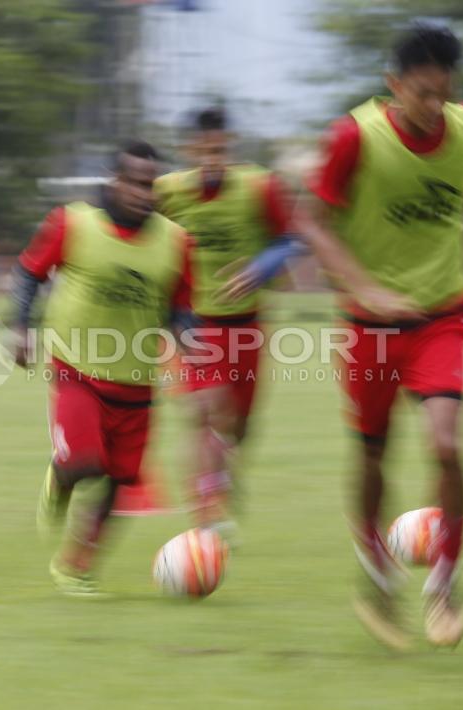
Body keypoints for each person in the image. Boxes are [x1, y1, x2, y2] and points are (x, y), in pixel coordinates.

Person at [294, 24, 463, 648]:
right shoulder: (353, 137)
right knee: (371, 454)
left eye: (443, 93)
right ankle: (376, 574)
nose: (433, 106)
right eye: (420, 94)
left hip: (443, 312)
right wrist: (366, 287)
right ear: (393, 86)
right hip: (371, 327)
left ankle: (444, 582)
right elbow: (313, 224)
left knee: (445, 443)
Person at [11, 141, 195, 596]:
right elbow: (29, 272)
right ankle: (62, 472)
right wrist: (20, 327)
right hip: (77, 366)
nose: (142, 193)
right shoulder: (72, 222)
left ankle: (77, 565)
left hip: (136, 380)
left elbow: (182, 310)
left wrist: (191, 352)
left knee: (120, 482)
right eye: (133, 182)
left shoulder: (176, 242)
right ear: (114, 181)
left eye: (149, 184)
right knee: (85, 460)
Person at [154, 106, 299, 539]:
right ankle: (206, 516)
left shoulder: (259, 185)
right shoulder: (167, 192)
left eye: (220, 149)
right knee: (205, 410)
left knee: (238, 426)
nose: (212, 158)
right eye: (203, 150)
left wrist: (260, 267)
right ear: (188, 149)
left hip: (248, 323)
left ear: (230, 146)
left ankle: (222, 476)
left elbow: (289, 239)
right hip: (192, 323)